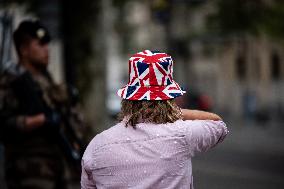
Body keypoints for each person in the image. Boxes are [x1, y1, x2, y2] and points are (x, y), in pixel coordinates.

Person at [81, 50, 228, 188]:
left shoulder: (97, 145)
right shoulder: (182, 134)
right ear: (169, 98)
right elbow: (218, 125)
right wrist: (175, 112)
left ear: (129, 97)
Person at [0, 20, 84, 189]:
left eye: (47, 44)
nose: (47, 50)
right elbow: (3, 124)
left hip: (62, 167)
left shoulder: (48, 81)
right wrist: (36, 121)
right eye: (40, 44)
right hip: (31, 170)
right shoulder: (11, 81)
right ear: (24, 49)